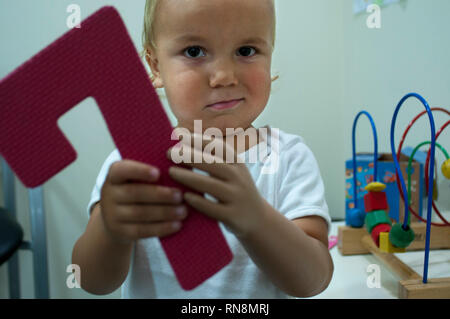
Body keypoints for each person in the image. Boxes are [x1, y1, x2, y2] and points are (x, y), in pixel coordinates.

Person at [72, 0, 334, 298]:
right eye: (194, 51)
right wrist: (110, 228)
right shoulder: (131, 162)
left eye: (246, 51)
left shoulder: (288, 158)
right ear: (155, 65)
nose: (224, 76)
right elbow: (89, 280)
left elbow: (313, 281)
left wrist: (257, 219)